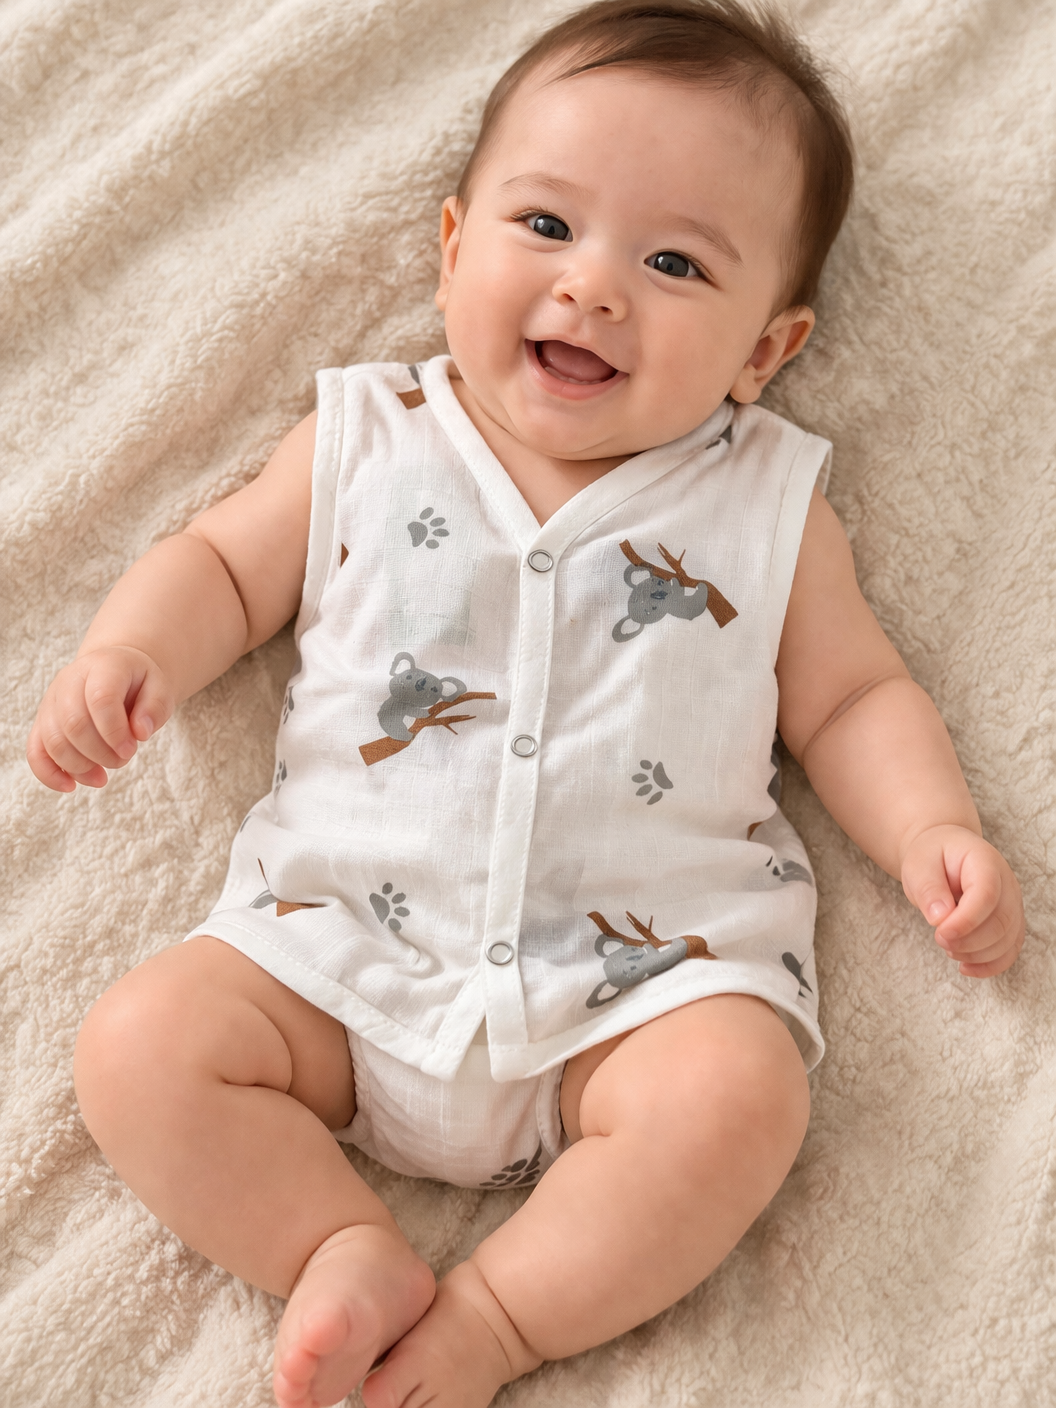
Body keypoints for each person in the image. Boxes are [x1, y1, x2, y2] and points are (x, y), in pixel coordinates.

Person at [27, 3, 1024, 1407]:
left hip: (632, 1001)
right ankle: (335, 1246)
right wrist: (130, 651)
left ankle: (497, 1320)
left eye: (675, 263)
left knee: (740, 1097)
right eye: (546, 226)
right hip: (337, 963)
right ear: (452, 250)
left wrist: (931, 829)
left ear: (766, 348)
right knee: (139, 1047)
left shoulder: (766, 504)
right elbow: (222, 566)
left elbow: (854, 696)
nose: (594, 287)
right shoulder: (370, 435)